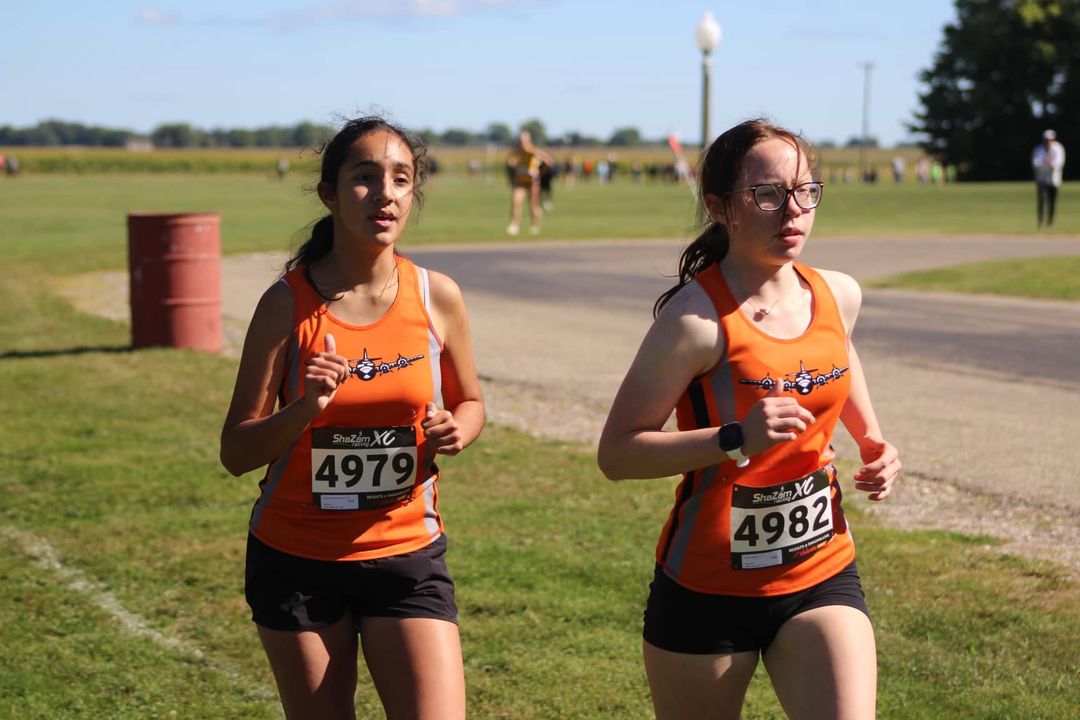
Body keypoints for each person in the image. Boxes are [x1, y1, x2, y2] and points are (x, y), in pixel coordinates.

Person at [597, 118, 901, 719]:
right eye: (767, 195)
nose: (792, 210)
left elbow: (839, 351)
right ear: (720, 208)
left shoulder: (838, 294)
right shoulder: (694, 321)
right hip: (707, 590)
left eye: (805, 191)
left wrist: (872, 438)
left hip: (821, 567)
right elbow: (619, 453)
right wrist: (736, 438)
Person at [220, 116, 485, 720]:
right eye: (364, 179)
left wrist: (460, 430)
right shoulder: (286, 304)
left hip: (407, 554)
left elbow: (470, 402)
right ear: (330, 194)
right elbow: (236, 452)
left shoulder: (436, 295)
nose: (385, 193)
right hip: (298, 561)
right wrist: (305, 410)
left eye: (400, 179)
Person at [504, 130, 553, 235]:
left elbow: (549, 161)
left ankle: (535, 225)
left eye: (524, 141)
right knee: (516, 201)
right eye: (520, 141)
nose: (522, 143)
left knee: (533, 205)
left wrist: (539, 172)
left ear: (528, 140)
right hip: (520, 181)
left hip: (532, 182)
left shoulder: (534, 151)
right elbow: (509, 159)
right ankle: (514, 225)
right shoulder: (517, 151)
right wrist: (512, 166)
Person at [1032, 129, 1066, 228]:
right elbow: (1035, 164)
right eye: (1047, 140)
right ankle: (1040, 221)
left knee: (1052, 201)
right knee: (1041, 200)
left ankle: (1050, 222)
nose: (1049, 142)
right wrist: (1045, 164)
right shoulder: (1038, 149)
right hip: (1041, 179)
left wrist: (1049, 163)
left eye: (1050, 140)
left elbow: (1059, 163)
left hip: (1054, 180)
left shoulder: (1058, 148)